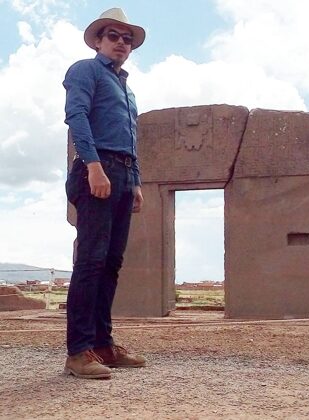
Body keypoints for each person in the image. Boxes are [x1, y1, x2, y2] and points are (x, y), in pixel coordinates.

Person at [63, 8, 146, 379]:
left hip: (124, 174)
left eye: (127, 39)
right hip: (96, 170)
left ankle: (102, 345)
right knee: (91, 262)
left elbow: (130, 138)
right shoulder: (85, 70)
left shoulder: (127, 89)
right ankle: (78, 351)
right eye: (113, 36)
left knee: (111, 264)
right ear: (99, 40)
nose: (121, 43)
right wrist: (93, 166)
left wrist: (137, 181)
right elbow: (77, 117)